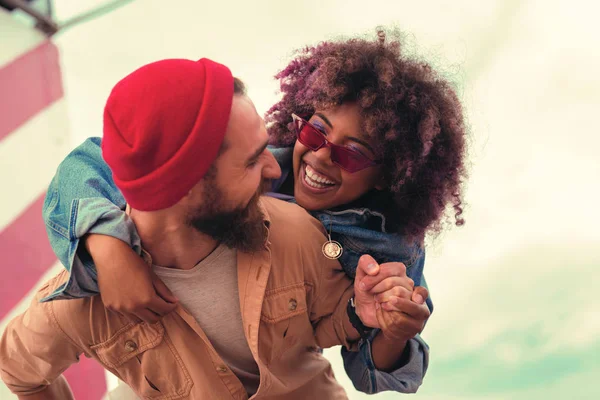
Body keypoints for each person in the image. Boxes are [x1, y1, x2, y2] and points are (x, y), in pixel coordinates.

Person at [30, 28, 467, 395]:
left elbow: (369, 369)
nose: (319, 158)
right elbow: (89, 162)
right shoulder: (242, 161)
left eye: (351, 155)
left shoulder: (390, 247)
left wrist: (393, 331)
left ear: (389, 177)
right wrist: (106, 247)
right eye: (315, 133)